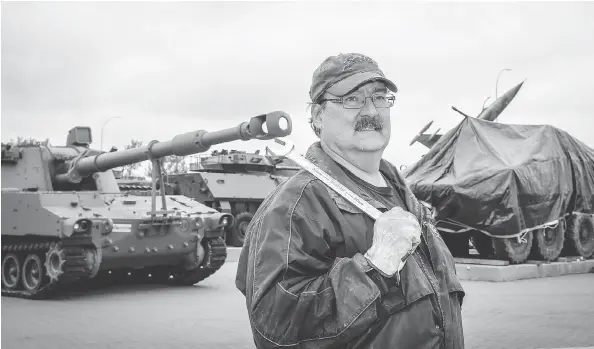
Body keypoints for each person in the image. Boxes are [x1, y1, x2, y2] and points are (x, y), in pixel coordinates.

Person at [236, 53, 465, 349]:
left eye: (380, 97)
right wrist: (375, 267)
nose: (371, 110)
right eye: (352, 99)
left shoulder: (403, 196)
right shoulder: (296, 207)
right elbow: (276, 328)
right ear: (318, 115)